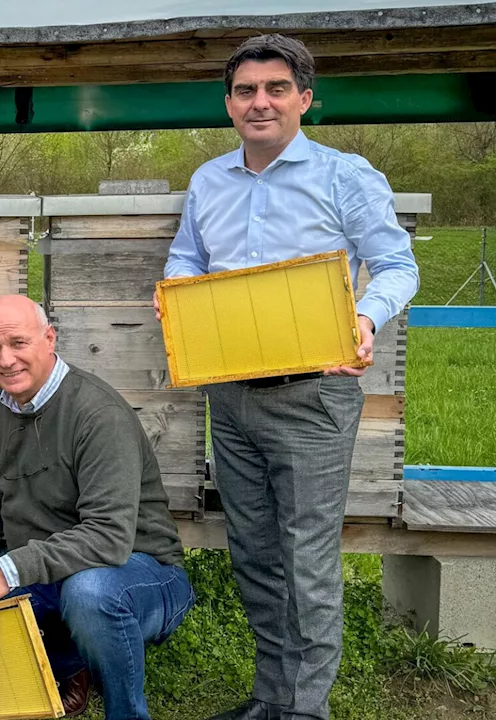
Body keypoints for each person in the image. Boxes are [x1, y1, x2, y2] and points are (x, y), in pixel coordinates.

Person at [161, 34, 419, 720]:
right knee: (255, 555)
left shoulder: (345, 175)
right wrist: (179, 295)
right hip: (231, 393)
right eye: (246, 91)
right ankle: (270, 697)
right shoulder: (208, 180)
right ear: (228, 104)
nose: (260, 102)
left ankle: (306, 710)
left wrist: (363, 320)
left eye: (277, 88)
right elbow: (186, 257)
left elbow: (397, 264)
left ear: (305, 98)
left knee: (306, 562)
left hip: (313, 395)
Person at [0, 294, 194, 720]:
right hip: (53, 573)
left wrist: (7, 570)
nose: (5, 359)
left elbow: (109, 536)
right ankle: (70, 664)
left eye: (18, 343)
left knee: (90, 594)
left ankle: (126, 711)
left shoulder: (97, 413)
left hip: (141, 571)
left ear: (50, 339)